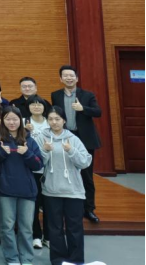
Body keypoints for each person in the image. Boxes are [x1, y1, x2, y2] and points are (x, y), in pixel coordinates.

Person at [38, 106, 92, 265]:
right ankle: (58, 260)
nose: (54, 122)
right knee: (54, 229)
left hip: (73, 191)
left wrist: (71, 151)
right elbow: (37, 164)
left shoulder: (73, 139)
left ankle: (76, 260)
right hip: (51, 190)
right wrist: (45, 151)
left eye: (57, 119)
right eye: (50, 119)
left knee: (74, 228)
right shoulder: (42, 137)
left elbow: (85, 162)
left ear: (64, 120)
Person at [0, 106, 43, 265]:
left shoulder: (29, 139)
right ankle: (12, 258)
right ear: (2, 120)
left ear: (20, 120)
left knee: (26, 227)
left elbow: (38, 164)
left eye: (15, 119)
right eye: (8, 119)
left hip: (27, 191)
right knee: (6, 227)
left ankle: (26, 259)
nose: (11, 122)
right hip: (4, 190)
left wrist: (27, 153)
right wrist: (1, 153)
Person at [51, 65, 102, 223]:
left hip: (85, 139)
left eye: (71, 75)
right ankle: (70, 207)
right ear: (61, 79)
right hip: (65, 137)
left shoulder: (87, 95)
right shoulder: (56, 95)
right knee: (65, 172)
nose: (69, 78)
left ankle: (89, 209)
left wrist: (83, 108)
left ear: (77, 78)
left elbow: (98, 112)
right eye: (65, 76)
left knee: (87, 175)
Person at [25, 94, 50, 249]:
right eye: (33, 104)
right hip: (32, 169)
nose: (36, 106)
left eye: (39, 104)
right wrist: (26, 131)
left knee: (48, 205)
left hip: (49, 170)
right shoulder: (24, 122)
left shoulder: (51, 121)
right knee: (33, 203)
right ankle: (36, 235)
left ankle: (48, 236)